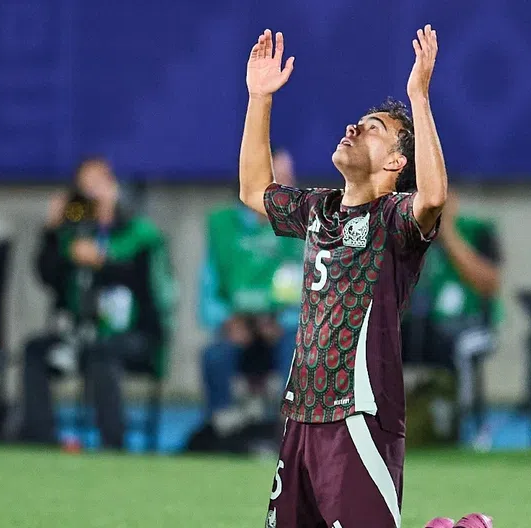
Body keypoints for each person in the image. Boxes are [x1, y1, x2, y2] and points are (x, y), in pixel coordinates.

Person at [240, 25, 445, 527]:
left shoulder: (393, 219)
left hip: (358, 413)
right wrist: (259, 99)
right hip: (301, 411)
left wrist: (419, 97)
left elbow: (433, 197)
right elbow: (253, 191)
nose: (354, 128)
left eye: (373, 128)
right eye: (358, 122)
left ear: (396, 161)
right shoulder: (319, 209)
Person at [19, 157, 177, 450]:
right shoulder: (73, 236)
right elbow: (47, 276)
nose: (92, 193)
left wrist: (104, 261)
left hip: (133, 336)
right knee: (35, 351)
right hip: (79, 334)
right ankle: (41, 440)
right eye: (85, 187)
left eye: (99, 183)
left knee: (102, 352)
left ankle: (112, 442)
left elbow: (152, 289)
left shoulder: (140, 234)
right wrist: (51, 231)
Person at [197, 148, 303, 442]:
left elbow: (311, 290)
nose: (287, 186)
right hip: (236, 328)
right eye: (279, 177)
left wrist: (282, 321)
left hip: (281, 331)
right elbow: (208, 293)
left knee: (298, 352)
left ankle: (288, 429)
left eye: (289, 178)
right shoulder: (222, 227)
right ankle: (223, 430)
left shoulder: (299, 227)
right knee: (214, 356)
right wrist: (228, 321)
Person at [402, 194, 503, 449]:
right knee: (379, 340)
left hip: (472, 326)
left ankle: (468, 427)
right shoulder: (414, 236)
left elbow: (489, 283)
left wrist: (448, 235)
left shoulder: (478, 232)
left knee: (463, 349)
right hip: (428, 327)